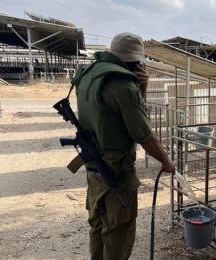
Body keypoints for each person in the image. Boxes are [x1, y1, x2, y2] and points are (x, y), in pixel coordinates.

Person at [75, 32, 175, 260]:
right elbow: (144, 135)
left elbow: (116, 115)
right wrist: (166, 161)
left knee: (98, 224)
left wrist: (143, 89)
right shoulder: (123, 86)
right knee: (119, 229)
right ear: (137, 62)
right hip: (116, 172)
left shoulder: (89, 74)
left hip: (93, 167)